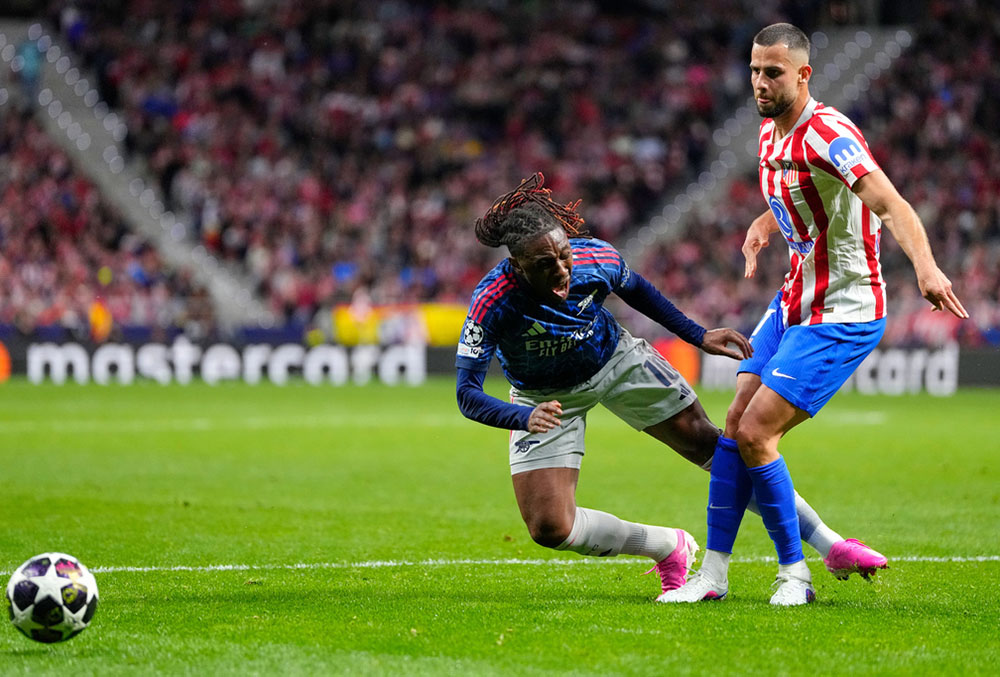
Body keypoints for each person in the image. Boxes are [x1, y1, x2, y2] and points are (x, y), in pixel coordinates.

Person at [455, 173, 884, 601]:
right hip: (542, 397)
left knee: (718, 449)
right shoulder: (492, 300)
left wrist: (697, 334)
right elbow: (466, 394)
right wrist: (523, 415)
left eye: (564, 256)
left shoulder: (594, 258)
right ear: (516, 266)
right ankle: (667, 547)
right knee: (549, 528)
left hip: (616, 360)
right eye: (544, 265)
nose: (562, 271)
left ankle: (832, 546)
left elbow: (640, 291)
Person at [659, 23, 969, 606]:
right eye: (754, 70)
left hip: (844, 309)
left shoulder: (829, 133)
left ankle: (795, 574)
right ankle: (715, 574)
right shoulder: (767, 133)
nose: (759, 82)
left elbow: (890, 202)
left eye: (772, 72)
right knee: (733, 424)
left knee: (756, 432)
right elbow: (795, 198)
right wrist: (762, 224)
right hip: (794, 298)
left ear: (804, 75)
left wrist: (926, 268)